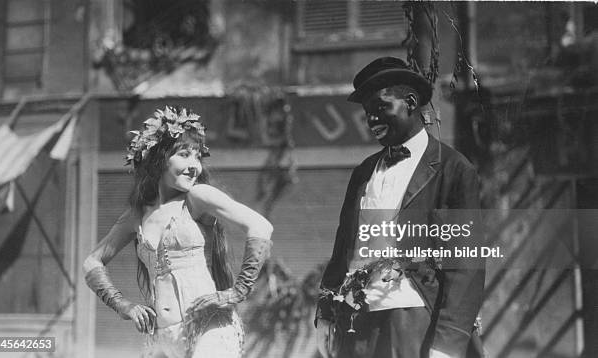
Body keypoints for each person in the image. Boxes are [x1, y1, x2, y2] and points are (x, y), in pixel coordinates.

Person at [315, 57, 485, 358]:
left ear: (410, 102)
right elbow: (343, 248)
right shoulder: (363, 172)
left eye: (381, 108)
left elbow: (466, 266)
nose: (372, 121)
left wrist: (447, 345)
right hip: (357, 321)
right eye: (368, 113)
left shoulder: (454, 169)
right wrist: (326, 312)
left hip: (413, 321)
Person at [83, 106, 273, 358]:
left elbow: (260, 226)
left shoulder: (197, 197)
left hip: (209, 327)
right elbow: (91, 262)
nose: (194, 165)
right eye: (184, 154)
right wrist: (124, 306)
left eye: (197, 157)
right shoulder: (136, 216)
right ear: (158, 159)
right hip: (162, 338)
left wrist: (238, 291)